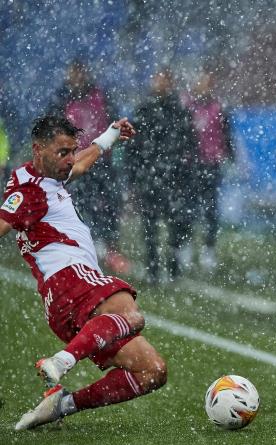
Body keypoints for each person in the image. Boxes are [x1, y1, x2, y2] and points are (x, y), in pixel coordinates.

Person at [2, 115, 167, 430]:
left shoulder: (49, 176)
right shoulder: (29, 191)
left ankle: (62, 404)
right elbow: (5, 220)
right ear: (38, 150)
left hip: (64, 304)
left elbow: (79, 165)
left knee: (152, 371)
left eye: (71, 150)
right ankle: (61, 361)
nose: (69, 159)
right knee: (132, 315)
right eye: (62, 152)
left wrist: (109, 136)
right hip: (71, 280)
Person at [47, 60, 130, 274]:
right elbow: (50, 130)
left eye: (80, 72)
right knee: (78, 204)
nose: (77, 77)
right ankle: (81, 246)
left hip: (101, 160)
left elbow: (114, 125)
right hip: (73, 162)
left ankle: (110, 247)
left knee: (109, 204)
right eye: (73, 73)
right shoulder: (61, 98)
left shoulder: (100, 96)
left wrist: (113, 148)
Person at [126, 67, 197, 283]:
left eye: (165, 80)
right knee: (150, 226)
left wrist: (185, 171)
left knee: (176, 225)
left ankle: (173, 268)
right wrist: (134, 175)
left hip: (173, 177)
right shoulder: (144, 110)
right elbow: (132, 145)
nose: (161, 84)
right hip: (149, 176)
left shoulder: (179, 111)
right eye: (158, 79)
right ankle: (153, 268)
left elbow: (189, 143)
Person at [182, 66, 234, 272]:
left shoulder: (218, 107)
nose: (205, 86)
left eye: (209, 82)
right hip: (191, 164)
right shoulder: (187, 106)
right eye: (203, 81)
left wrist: (228, 156)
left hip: (211, 164)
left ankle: (208, 250)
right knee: (188, 209)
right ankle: (186, 246)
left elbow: (226, 135)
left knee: (210, 210)